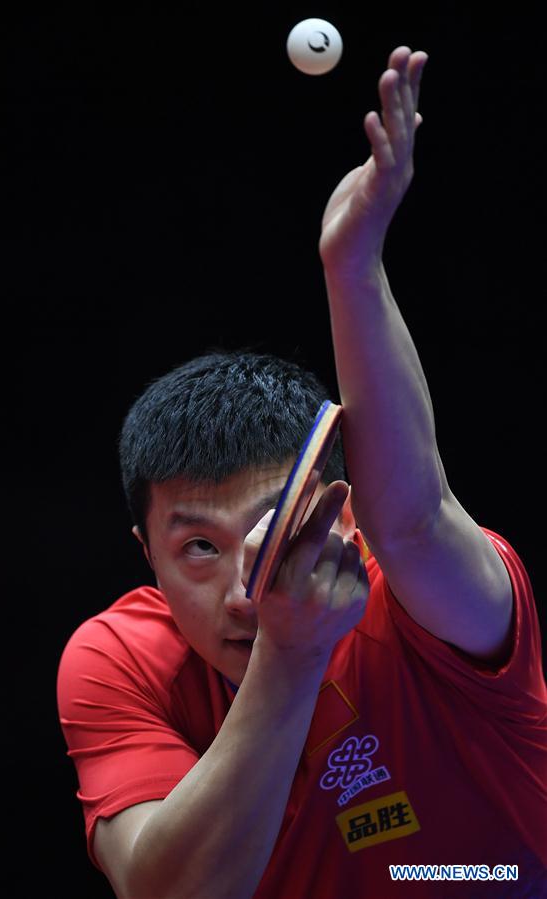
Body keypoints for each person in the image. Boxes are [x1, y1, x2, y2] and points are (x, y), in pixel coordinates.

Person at [57, 47, 547, 897]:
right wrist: (292, 645)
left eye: (267, 527)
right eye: (198, 550)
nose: (243, 589)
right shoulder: (119, 658)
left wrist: (352, 269)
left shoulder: (437, 596)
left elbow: (417, 516)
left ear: (337, 511)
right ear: (148, 555)